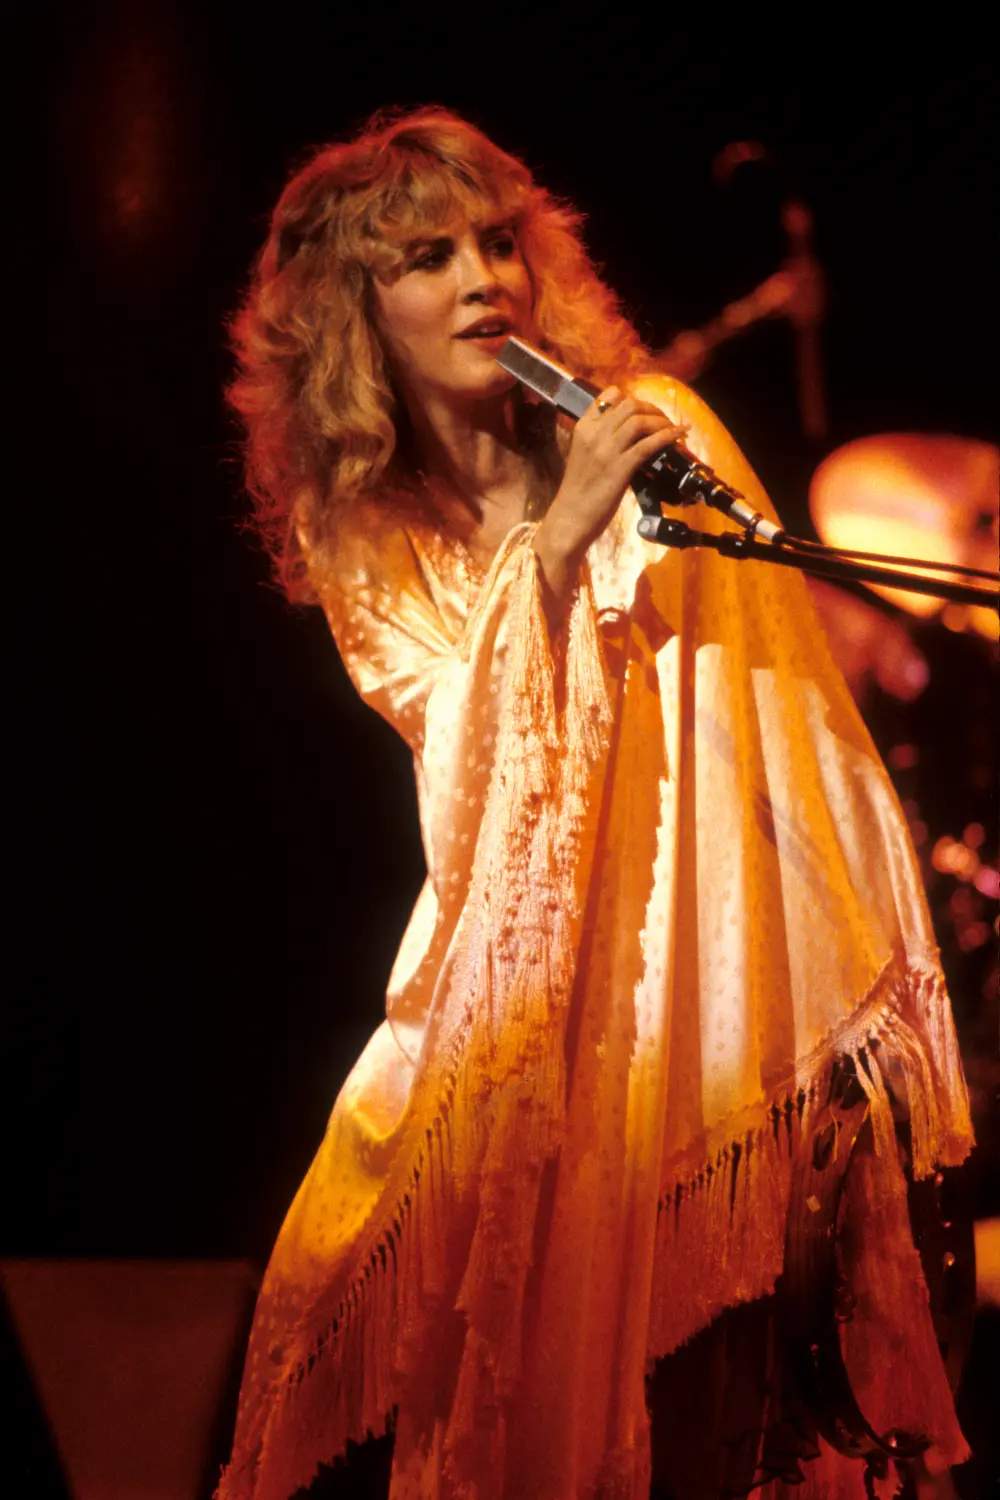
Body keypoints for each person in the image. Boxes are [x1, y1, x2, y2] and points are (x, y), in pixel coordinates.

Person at [217, 108, 974, 1500]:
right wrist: (551, 558)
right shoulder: (365, 528)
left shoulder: (656, 433)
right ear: (355, 315)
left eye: (498, 243)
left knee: (712, 1420)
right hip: (513, 995)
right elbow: (462, 764)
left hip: (712, 992)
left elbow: (787, 726)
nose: (482, 280)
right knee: (357, 1274)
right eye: (431, 258)